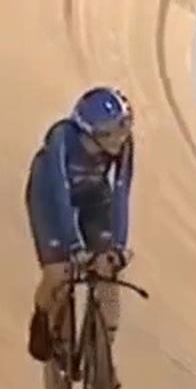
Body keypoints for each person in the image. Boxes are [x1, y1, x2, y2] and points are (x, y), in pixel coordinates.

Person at [25, 86, 137, 363]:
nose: (122, 138)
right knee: (59, 273)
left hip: (93, 196)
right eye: (114, 132)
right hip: (49, 195)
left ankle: (102, 350)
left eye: (124, 129)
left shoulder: (124, 146)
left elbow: (121, 192)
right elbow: (60, 193)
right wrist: (73, 245)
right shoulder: (62, 138)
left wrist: (118, 247)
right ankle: (42, 316)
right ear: (92, 133)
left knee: (108, 269)